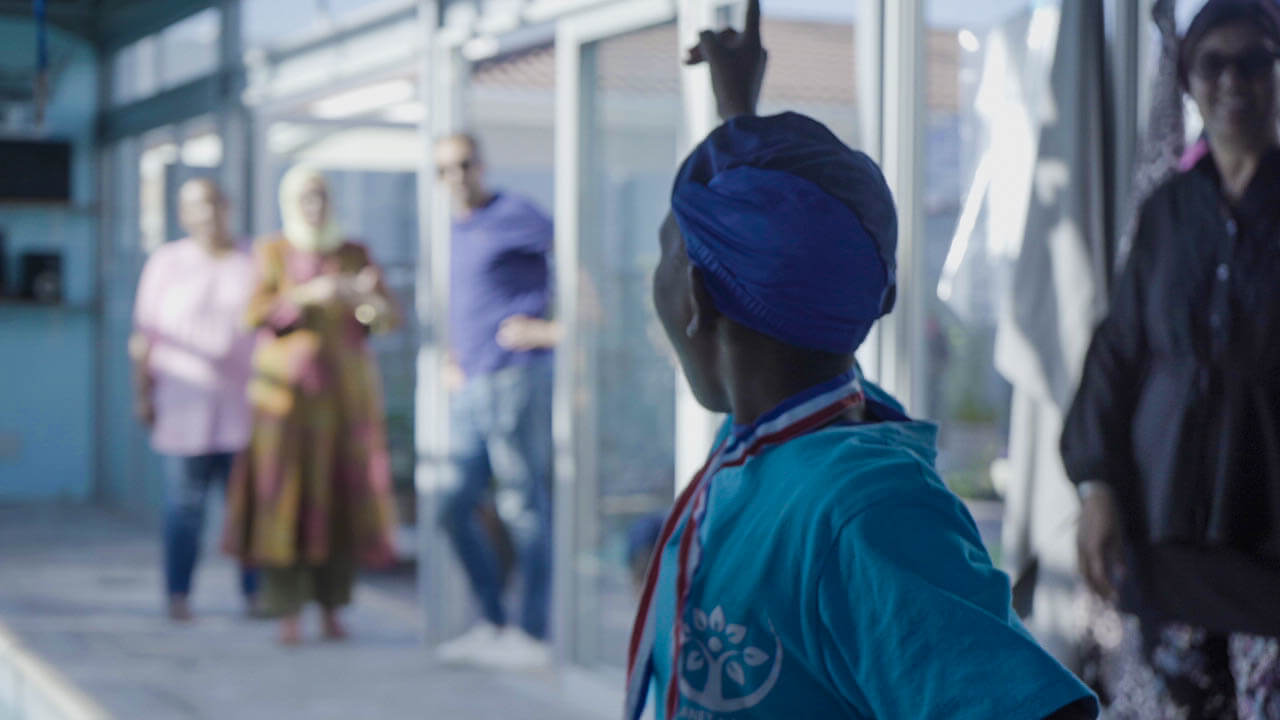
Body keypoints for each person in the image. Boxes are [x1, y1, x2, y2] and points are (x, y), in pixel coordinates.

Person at [623, 3, 1099, 719]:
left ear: (695, 293)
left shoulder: (864, 512)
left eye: (666, 247)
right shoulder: (786, 431)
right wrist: (736, 110)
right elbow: (787, 249)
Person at [1063, 0, 1280, 715]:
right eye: (1213, 63)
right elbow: (1116, 350)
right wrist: (1095, 486)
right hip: (1161, 548)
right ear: (1189, 80)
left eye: (1253, 61)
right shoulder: (1165, 214)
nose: (1233, 81)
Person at [222, 166, 398, 646]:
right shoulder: (272, 252)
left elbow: (385, 317)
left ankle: (332, 607)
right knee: (286, 501)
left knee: (339, 504)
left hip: (343, 403)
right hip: (287, 404)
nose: (314, 207)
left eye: (320, 196)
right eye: (305, 198)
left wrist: (363, 299)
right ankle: (287, 610)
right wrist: (305, 295)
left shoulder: (353, 252)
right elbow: (251, 315)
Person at [432, 133, 557, 668]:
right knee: (454, 507)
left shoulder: (513, 213)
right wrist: (453, 355)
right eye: (445, 170)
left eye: (464, 165)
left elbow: (579, 257)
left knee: (523, 509)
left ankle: (532, 634)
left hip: (514, 380)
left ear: (482, 165)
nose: (457, 176)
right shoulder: (456, 228)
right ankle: (494, 621)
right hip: (472, 387)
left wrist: (556, 330)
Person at [130, 178, 260, 623]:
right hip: (183, 406)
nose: (205, 215)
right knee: (184, 509)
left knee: (245, 507)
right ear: (183, 215)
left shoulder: (253, 259)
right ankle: (179, 594)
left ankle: (256, 593)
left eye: (211, 203)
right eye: (193, 207)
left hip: (244, 407)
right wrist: (142, 394)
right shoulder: (167, 263)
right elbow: (144, 337)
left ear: (226, 205)